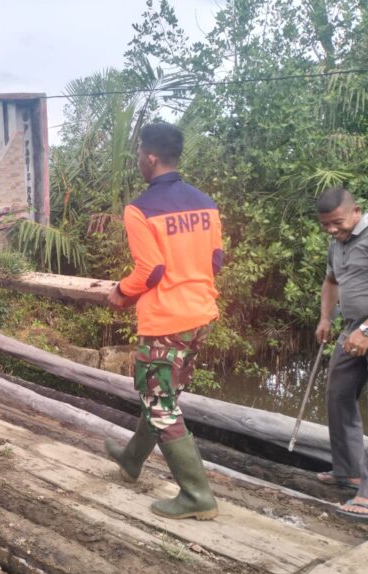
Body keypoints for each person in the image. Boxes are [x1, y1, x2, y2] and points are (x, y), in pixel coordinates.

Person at [105, 123, 222, 521]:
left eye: (139, 152)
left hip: (166, 319)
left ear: (150, 157)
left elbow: (150, 270)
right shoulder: (206, 203)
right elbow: (216, 262)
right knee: (161, 394)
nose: (138, 159)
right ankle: (132, 459)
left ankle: (196, 494)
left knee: (160, 401)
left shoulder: (140, 209)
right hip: (200, 315)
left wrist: (121, 291)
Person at [314, 187, 368, 521]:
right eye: (325, 225)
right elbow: (331, 281)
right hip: (352, 327)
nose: (331, 230)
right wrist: (326, 318)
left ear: (356, 211)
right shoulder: (336, 242)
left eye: (336, 222)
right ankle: (349, 470)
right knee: (338, 392)